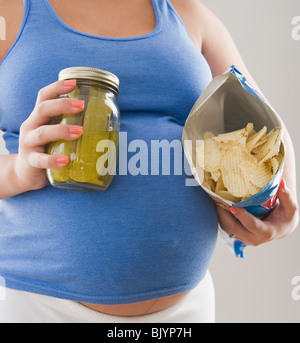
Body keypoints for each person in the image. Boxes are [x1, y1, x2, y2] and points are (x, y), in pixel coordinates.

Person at [0, 0, 298, 323]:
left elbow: (268, 128)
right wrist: (18, 171)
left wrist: (285, 211)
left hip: (185, 311)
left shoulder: (186, 13)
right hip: (40, 305)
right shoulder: (10, 13)